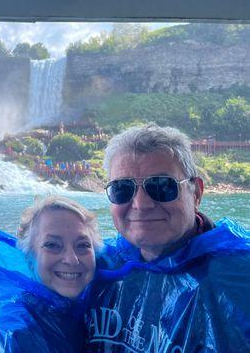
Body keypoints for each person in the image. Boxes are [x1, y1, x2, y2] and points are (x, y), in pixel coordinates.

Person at [86, 124, 250, 352]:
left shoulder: (239, 277)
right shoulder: (100, 265)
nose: (141, 205)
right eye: (122, 188)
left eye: (162, 186)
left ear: (196, 193)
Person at [0, 196, 103, 352]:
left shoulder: (77, 311)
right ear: (29, 258)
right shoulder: (10, 335)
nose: (72, 259)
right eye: (52, 245)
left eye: (83, 245)